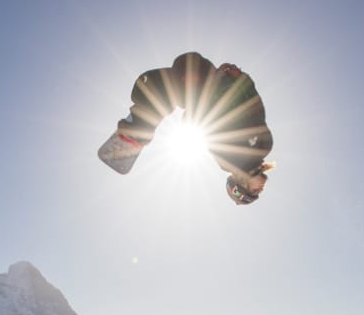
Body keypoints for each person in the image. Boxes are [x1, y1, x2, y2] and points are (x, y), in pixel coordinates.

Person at [98, 51, 274, 205]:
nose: (262, 189)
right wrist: (241, 78)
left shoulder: (228, 160)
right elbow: (255, 107)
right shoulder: (262, 146)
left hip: (208, 89)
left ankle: (135, 130)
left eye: (256, 191)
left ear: (241, 185)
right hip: (215, 85)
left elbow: (210, 130)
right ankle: (136, 126)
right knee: (181, 70)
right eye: (257, 191)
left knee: (166, 80)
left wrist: (193, 118)